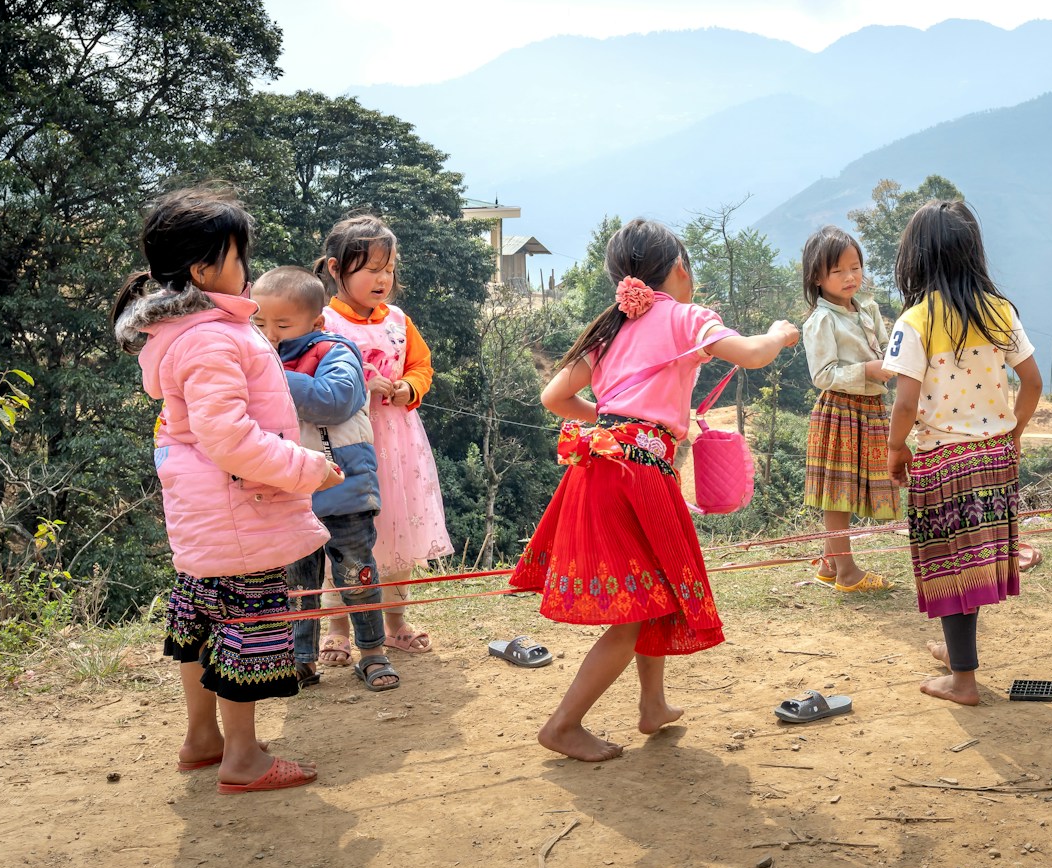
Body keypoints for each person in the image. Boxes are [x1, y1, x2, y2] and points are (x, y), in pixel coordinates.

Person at [511, 219, 800, 761]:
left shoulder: (609, 327)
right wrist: (781, 334)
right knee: (635, 611)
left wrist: (618, 417)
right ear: (679, 269)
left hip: (599, 464)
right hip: (638, 474)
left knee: (653, 588)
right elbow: (755, 355)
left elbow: (554, 396)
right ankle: (563, 725)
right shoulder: (688, 317)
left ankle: (653, 705)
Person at [113, 188, 342, 793]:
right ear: (203, 269)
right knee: (248, 626)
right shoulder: (213, 338)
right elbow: (230, 438)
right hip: (241, 509)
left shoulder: (184, 330)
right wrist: (307, 468)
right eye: (239, 257)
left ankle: (203, 738)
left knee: (200, 620)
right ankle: (243, 757)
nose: (246, 269)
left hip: (206, 514)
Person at [884, 200, 1042, 706]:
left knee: (951, 568)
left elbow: (905, 401)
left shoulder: (915, 321)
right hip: (995, 458)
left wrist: (894, 446)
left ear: (915, 258)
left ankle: (964, 681)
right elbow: (1034, 381)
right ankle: (957, 655)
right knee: (973, 563)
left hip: (943, 461)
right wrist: (1011, 433)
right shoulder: (1000, 311)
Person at [252, 265, 396, 693]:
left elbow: (334, 403)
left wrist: (274, 375)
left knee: (356, 575)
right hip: (287, 492)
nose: (270, 332)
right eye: (259, 322)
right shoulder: (255, 359)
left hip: (345, 488)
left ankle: (372, 653)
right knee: (297, 585)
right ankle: (300, 661)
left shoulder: (336, 350)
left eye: (282, 323)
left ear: (315, 322)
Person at [317, 215, 449, 657]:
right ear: (336, 269)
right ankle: (337, 626)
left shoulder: (398, 320)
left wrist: (408, 387)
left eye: (389, 269)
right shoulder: (321, 324)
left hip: (397, 442)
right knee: (342, 534)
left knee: (395, 535)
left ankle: (395, 622)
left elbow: (421, 366)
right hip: (344, 442)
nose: (383, 279)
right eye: (371, 269)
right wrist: (358, 387)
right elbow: (305, 380)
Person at [799, 226, 895, 593]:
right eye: (838, 271)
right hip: (840, 411)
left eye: (855, 267)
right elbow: (823, 375)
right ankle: (848, 572)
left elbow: (885, 348)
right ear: (818, 277)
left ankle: (828, 563)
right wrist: (867, 370)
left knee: (848, 486)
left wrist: (890, 360)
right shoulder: (821, 321)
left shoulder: (867, 309)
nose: (850, 276)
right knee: (838, 493)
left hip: (869, 410)